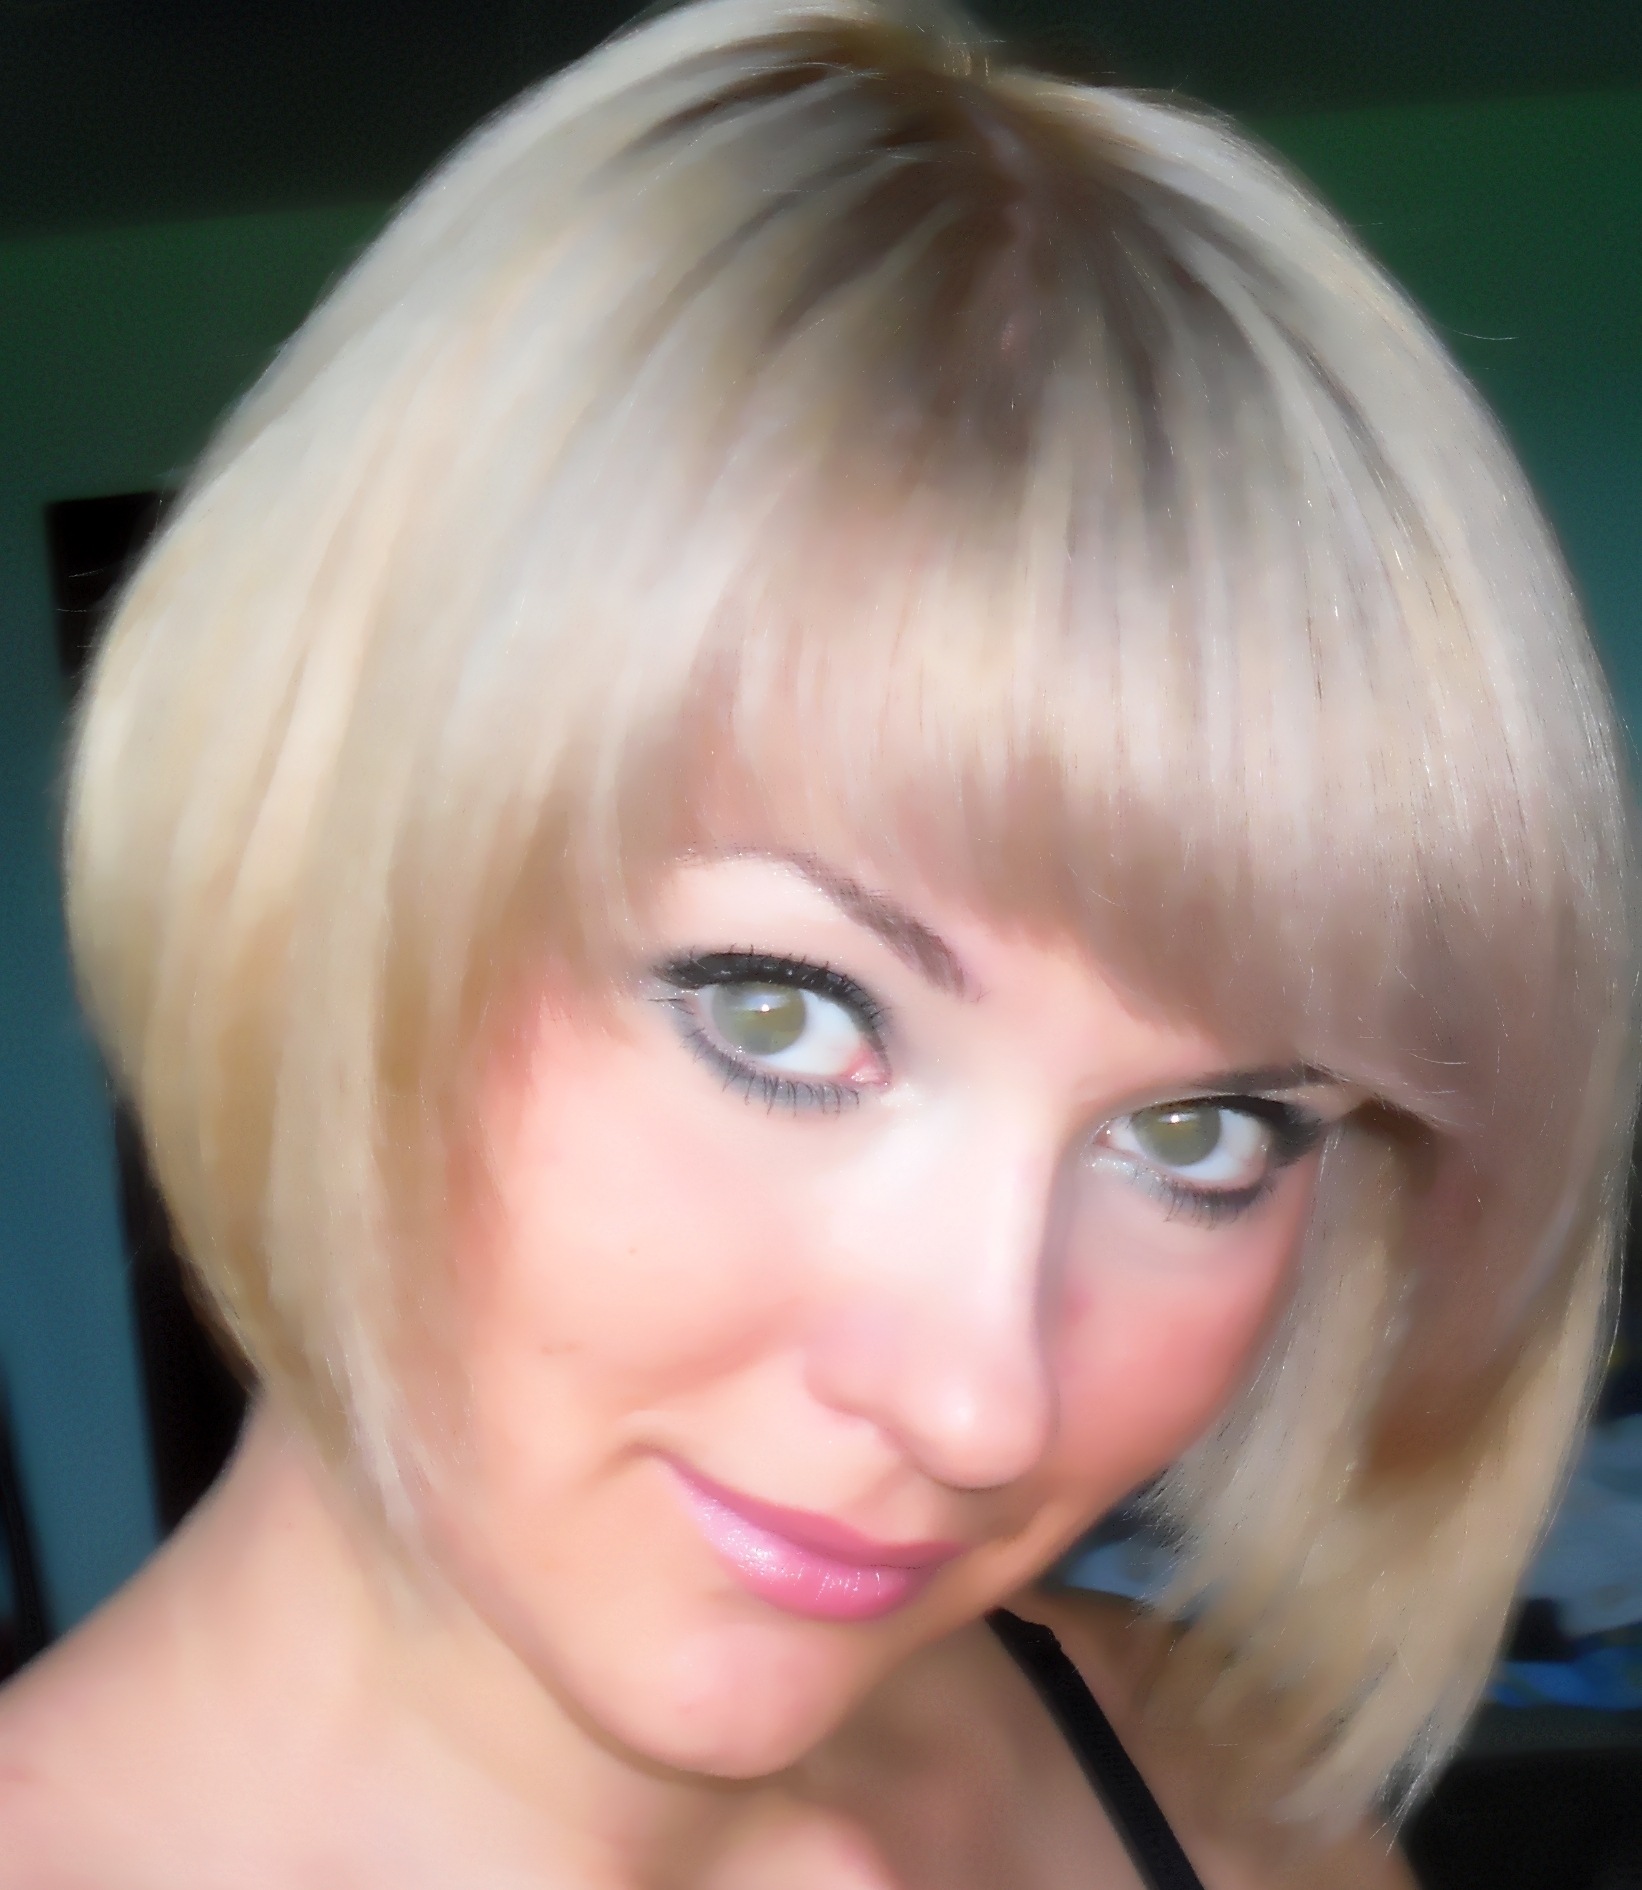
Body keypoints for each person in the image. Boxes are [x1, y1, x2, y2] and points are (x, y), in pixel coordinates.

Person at [1, 1, 1633, 1883]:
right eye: (782, 1014)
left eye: (1198, 1135)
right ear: (296, 888)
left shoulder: (1236, 1802)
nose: (979, 1404)